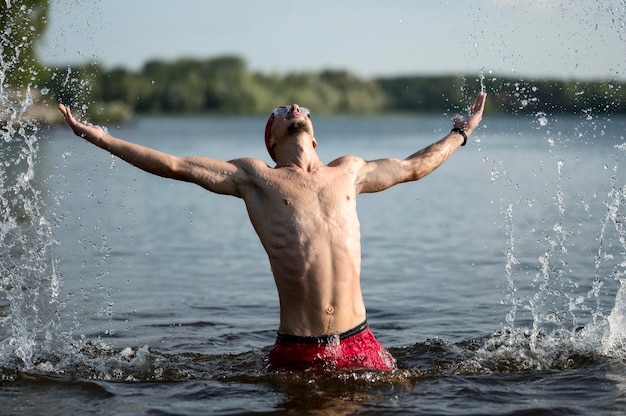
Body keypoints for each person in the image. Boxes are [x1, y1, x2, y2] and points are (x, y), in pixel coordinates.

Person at [57, 92, 486, 372]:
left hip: (361, 342)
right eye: (282, 112)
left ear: (314, 137)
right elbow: (174, 165)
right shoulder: (256, 178)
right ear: (272, 138)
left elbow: (413, 167)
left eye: (301, 109)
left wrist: (461, 132)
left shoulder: (350, 171)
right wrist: (102, 138)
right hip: (297, 350)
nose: (294, 110)